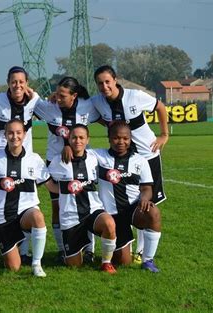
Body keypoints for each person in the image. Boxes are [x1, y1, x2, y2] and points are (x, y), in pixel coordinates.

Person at [92, 65, 168, 262]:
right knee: (121, 198)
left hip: (146, 155)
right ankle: (126, 242)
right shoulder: (97, 102)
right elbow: (80, 104)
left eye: (107, 81)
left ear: (115, 80)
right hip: (120, 156)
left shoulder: (135, 96)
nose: (104, 86)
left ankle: (142, 251)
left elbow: (160, 107)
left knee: (148, 203)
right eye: (100, 83)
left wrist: (164, 135)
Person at [0, 119, 55, 277]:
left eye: (18, 133)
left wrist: (75, 185)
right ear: (5, 135)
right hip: (3, 218)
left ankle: (37, 264)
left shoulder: (34, 159)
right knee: (13, 267)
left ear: (24, 134)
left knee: (37, 216)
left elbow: (52, 186)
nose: (14, 136)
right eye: (10, 133)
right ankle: (14, 246)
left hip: (26, 212)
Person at [34, 76, 100, 264]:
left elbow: (107, 112)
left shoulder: (88, 106)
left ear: (75, 95)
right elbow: (30, 99)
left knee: (86, 205)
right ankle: (63, 249)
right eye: (57, 94)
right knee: (58, 207)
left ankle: (90, 250)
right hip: (56, 165)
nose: (59, 98)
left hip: (81, 163)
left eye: (63, 95)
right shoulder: (49, 107)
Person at [0, 66, 39, 265]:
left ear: (27, 83)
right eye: (14, 81)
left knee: (24, 205)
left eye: (21, 82)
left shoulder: (34, 100)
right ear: (8, 81)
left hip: (24, 160)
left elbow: (51, 109)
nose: (17, 85)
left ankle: (23, 250)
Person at [91, 121, 162, 272]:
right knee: (124, 262)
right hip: (110, 215)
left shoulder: (140, 161)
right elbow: (79, 150)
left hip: (131, 210)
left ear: (130, 139)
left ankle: (148, 260)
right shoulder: (97, 156)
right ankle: (104, 248)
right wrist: (67, 147)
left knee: (153, 211)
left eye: (125, 138)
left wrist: (144, 198)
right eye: (116, 138)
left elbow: (147, 188)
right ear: (109, 138)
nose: (121, 142)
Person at [47, 124, 117, 273]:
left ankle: (106, 262)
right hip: (70, 216)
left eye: (81, 137)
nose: (77, 141)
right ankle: (67, 252)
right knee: (74, 265)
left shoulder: (94, 157)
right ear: (69, 139)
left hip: (93, 211)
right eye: (74, 137)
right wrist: (62, 191)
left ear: (87, 140)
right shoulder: (57, 161)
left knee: (109, 223)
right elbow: (46, 180)